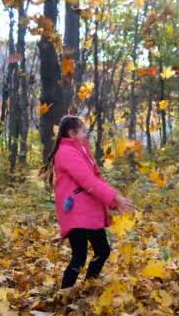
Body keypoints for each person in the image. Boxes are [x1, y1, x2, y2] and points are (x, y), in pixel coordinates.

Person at [41, 115, 134, 289]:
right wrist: (115, 198)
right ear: (72, 133)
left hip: (88, 212)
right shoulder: (67, 153)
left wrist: (115, 200)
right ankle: (64, 295)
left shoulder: (81, 150)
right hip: (77, 213)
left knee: (102, 250)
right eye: (83, 130)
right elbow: (88, 181)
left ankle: (89, 285)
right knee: (79, 256)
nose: (86, 134)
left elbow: (97, 178)